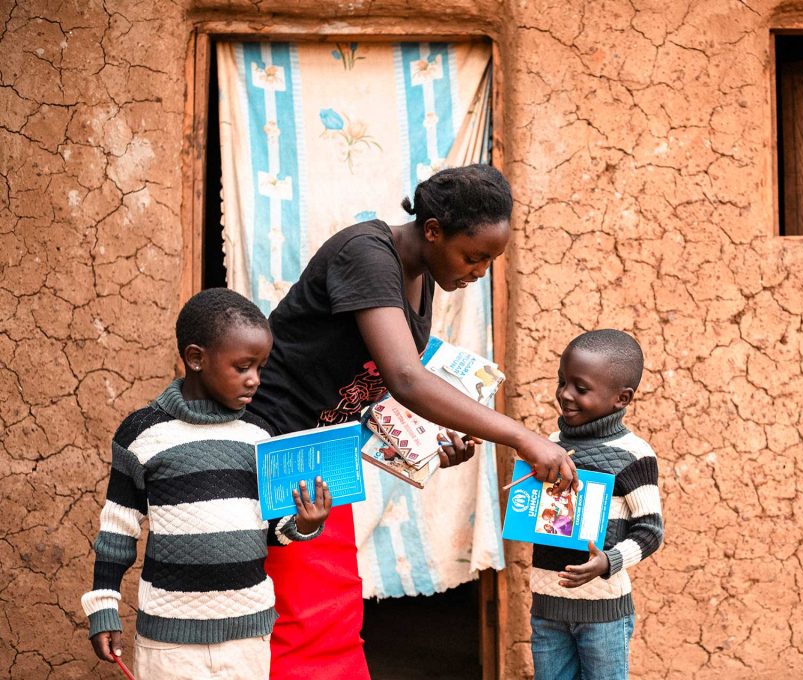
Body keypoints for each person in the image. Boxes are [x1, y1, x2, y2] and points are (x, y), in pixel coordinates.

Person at [246, 164, 577, 678]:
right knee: (298, 619)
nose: (479, 272)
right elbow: (404, 376)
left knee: (333, 615)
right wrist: (521, 438)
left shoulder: (422, 276)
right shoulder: (366, 254)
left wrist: (425, 442)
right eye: (473, 256)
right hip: (275, 447)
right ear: (432, 230)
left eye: (491, 260)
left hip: (323, 455)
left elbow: (377, 384)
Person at [81, 288, 332, 680]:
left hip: (248, 635)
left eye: (261, 368)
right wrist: (103, 605)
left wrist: (304, 523)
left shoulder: (260, 436)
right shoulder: (142, 433)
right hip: (170, 643)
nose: (254, 381)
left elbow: (270, 529)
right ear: (196, 358)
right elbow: (117, 529)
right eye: (243, 367)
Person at [530, 329, 665, 680]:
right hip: (548, 607)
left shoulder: (634, 455)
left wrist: (609, 561)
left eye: (580, 388)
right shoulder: (550, 445)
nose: (565, 395)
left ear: (621, 398)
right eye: (562, 382)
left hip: (603, 611)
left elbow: (650, 531)